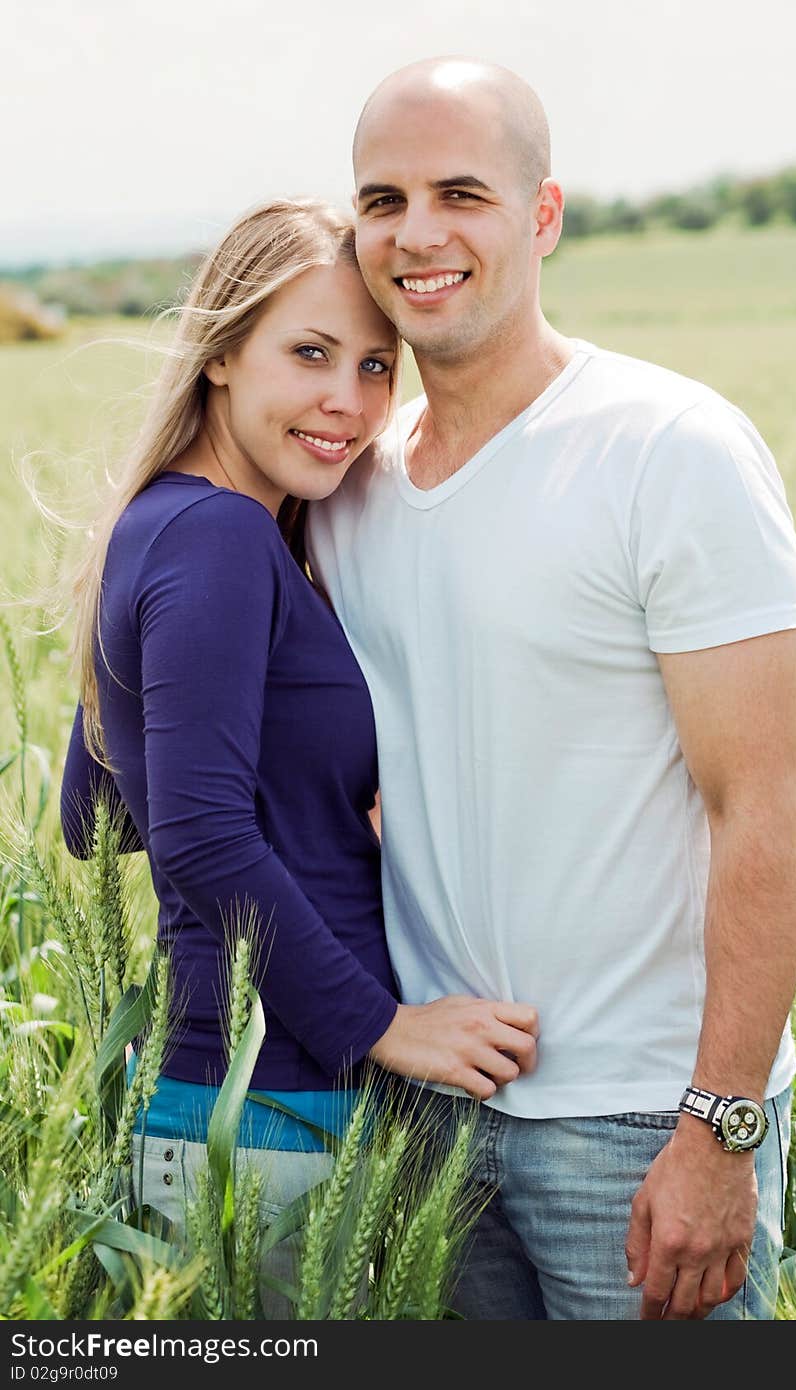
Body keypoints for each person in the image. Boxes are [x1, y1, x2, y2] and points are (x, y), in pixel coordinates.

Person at [306, 59, 796, 1320]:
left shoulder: (665, 448)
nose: (416, 235)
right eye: (383, 198)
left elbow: (763, 814)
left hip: (641, 1123)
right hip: (432, 1126)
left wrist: (717, 1131)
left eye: (460, 193)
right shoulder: (347, 491)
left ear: (542, 215)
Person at [59, 197, 540, 1316]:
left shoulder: (170, 525)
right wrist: (383, 1025)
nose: (350, 401)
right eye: (310, 353)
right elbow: (195, 830)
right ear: (221, 352)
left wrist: (326, 805)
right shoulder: (219, 537)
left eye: (378, 366)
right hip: (267, 1107)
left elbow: (96, 812)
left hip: (224, 1098)